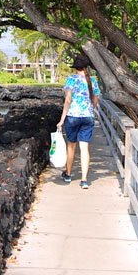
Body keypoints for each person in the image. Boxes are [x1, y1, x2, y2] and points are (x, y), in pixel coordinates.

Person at [57, 53, 101, 189]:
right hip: (87, 117)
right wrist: (90, 109)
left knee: (71, 146)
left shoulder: (71, 79)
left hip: (73, 117)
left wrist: (62, 120)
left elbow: (68, 100)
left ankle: (68, 174)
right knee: (84, 148)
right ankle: (84, 180)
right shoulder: (92, 81)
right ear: (86, 67)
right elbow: (96, 98)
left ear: (75, 67)